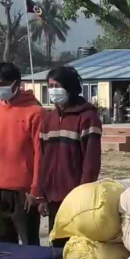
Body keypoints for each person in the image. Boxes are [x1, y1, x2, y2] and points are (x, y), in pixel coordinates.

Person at [38, 65, 103, 246]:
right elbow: (42, 159)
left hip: (74, 197)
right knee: (56, 246)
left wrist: (82, 195)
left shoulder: (88, 116)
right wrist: (41, 195)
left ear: (70, 87)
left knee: (76, 247)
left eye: (57, 85)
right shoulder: (48, 119)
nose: (53, 90)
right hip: (52, 197)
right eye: (50, 86)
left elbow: (91, 161)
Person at [0, 62, 44, 245]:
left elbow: (40, 154)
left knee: (29, 244)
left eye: (4, 83)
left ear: (17, 83)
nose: (0, 88)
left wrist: (35, 190)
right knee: (3, 246)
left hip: (23, 192)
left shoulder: (35, 113)